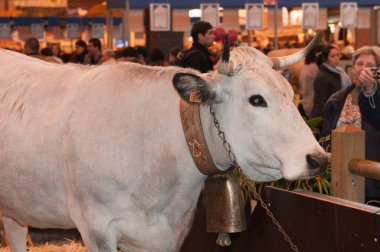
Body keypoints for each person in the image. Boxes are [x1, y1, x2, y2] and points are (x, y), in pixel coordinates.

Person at [322, 46, 380, 206]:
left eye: (370, 65)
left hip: (373, 182)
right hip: (339, 177)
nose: (363, 69)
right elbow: (326, 135)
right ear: (352, 67)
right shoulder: (337, 99)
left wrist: (371, 90)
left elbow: (376, 116)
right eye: (359, 64)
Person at [311, 45, 351, 118]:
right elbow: (320, 103)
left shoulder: (340, 72)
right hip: (327, 117)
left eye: (338, 55)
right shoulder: (322, 76)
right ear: (326, 59)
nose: (336, 58)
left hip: (338, 113)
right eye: (332, 56)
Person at [299, 44, 326, 118]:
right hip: (311, 104)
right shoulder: (314, 68)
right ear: (317, 54)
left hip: (304, 102)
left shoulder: (305, 66)